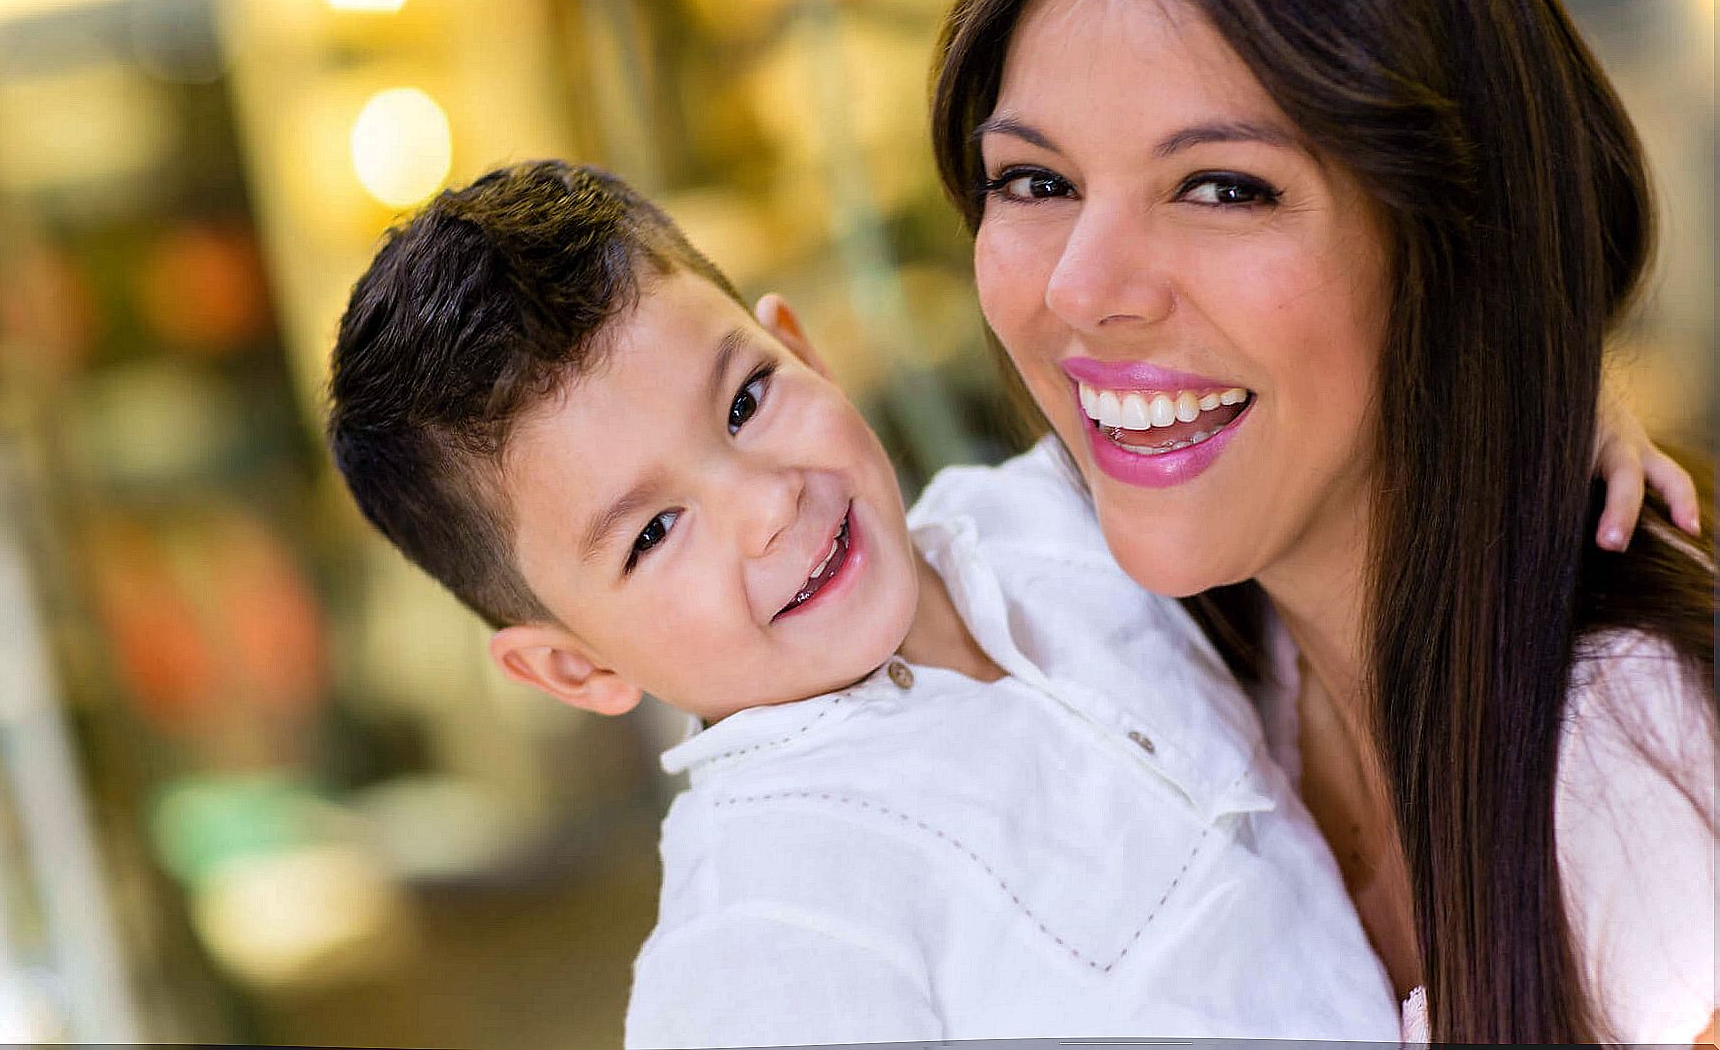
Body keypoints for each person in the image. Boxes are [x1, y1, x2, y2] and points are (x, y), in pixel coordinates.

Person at [324, 159, 1405, 1045]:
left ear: (802, 346)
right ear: (574, 667)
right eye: (653, 533)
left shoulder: (1059, 510)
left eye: (746, 399)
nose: (764, 506)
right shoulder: (758, 933)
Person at [928, 0, 1716, 1043]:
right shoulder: (1149, 640)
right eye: (1034, 179)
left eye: (1221, 187)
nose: (1079, 287)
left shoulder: (1639, 765)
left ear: (1453, 239)